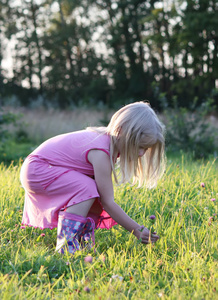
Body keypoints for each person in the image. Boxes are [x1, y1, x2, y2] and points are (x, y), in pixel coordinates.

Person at [20, 101, 166, 254]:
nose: (141, 153)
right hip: (38, 169)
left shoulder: (107, 142)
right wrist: (137, 230)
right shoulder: (101, 151)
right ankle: (66, 245)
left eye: (146, 148)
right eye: (139, 146)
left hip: (40, 168)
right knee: (87, 188)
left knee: (94, 191)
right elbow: (108, 202)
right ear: (121, 132)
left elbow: (102, 198)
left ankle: (83, 241)